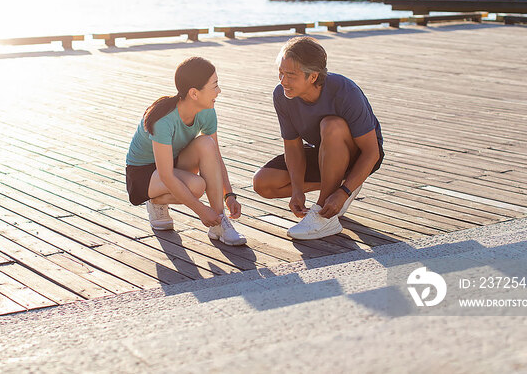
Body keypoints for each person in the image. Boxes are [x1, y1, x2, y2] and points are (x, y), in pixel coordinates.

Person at [252, 36, 384, 240]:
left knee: (331, 125)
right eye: (280, 73)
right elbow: (293, 147)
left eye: (290, 75)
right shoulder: (282, 95)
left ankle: (324, 215)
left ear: (313, 77)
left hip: (361, 154)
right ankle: (339, 184)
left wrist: (344, 193)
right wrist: (297, 190)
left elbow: (372, 151)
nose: (283, 81)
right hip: (324, 150)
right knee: (263, 183)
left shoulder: (345, 91)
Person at [125, 56, 247, 246]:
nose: (219, 90)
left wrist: (229, 195)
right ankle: (155, 202)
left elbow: (216, 158)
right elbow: (166, 175)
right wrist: (201, 211)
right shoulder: (163, 120)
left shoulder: (207, 110)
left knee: (207, 144)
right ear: (194, 93)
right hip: (143, 173)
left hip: (171, 162)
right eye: (214, 86)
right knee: (196, 186)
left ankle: (219, 224)